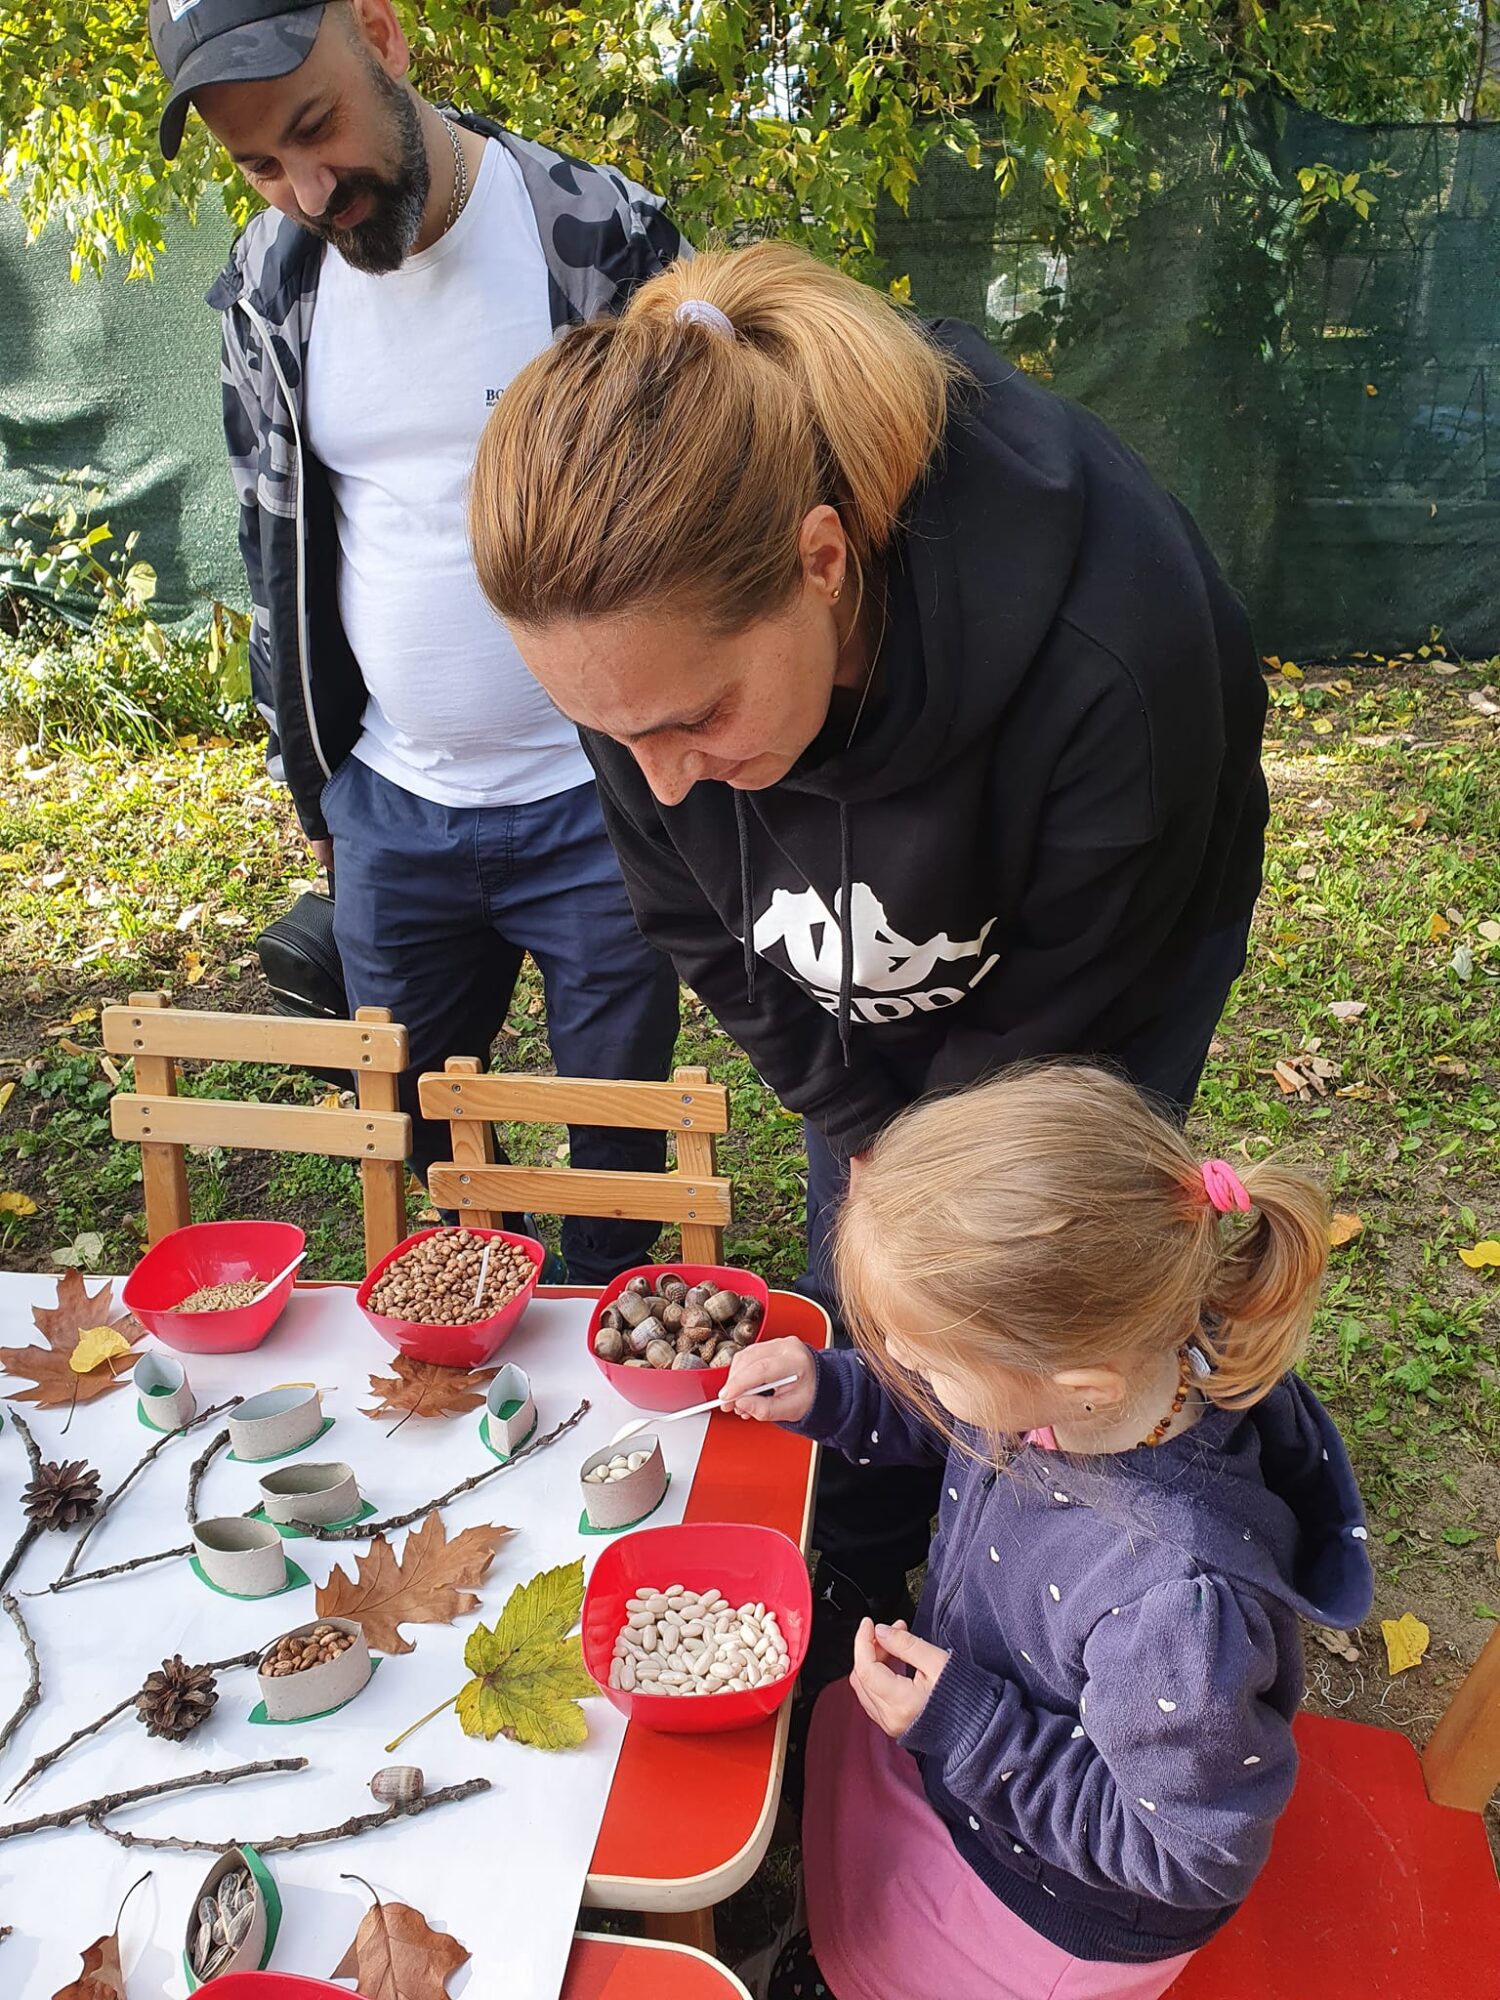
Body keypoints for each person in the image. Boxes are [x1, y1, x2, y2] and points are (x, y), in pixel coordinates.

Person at [467, 241, 1271, 1634]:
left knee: (1017, 1284)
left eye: (695, 720)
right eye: (608, 733)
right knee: (869, 1258)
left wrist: (926, 1185)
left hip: (1083, 993)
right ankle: (862, 1552)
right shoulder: (639, 664)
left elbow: (1072, 1005)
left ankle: (1062, 1579)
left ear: (823, 561)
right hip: (867, 975)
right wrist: (854, 1120)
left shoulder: (1113, 650)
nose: (660, 785)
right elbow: (695, 917)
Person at [147, 0, 680, 1283]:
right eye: (261, 164)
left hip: (598, 802)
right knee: (421, 1145)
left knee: (611, 1143)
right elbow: (274, 546)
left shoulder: (596, 237)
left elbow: (702, 522)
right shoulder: (270, 284)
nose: (308, 190)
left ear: (382, 35)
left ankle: (603, 1329)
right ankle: (471, 1342)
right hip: (391, 806)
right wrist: (314, 785)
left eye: (315, 126)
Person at [722, 1065, 1374, 2000]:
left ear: (1080, 1389)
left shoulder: (1175, 1615)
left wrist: (970, 1729)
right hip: (987, 1741)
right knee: (842, 1767)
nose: (902, 1369)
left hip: (1059, 1895)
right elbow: (965, 1414)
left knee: (864, 1952)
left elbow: (1186, 1856)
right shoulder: (1107, 1366)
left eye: (926, 1365)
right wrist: (835, 1390)